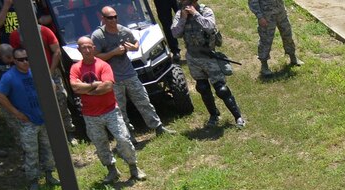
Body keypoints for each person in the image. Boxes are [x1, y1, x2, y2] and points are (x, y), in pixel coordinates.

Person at [68, 34, 141, 186]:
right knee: (100, 144)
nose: (87, 50)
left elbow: (107, 86)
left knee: (123, 139)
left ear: (94, 48)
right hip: (90, 115)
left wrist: (86, 89)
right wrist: (95, 85)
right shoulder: (75, 68)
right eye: (84, 47)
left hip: (110, 111)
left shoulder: (103, 65)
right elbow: (75, 87)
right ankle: (112, 170)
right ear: (79, 50)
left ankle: (134, 167)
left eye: (90, 47)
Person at [90, 5, 161, 135]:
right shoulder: (98, 36)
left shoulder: (123, 31)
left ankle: (158, 126)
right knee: (119, 109)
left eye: (115, 17)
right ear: (103, 18)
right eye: (109, 18)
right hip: (112, 79)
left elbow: (136, 43)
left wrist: (133, 48)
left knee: (144, 101)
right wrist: (113, 53)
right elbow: (96, 57)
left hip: (129, 74)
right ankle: (128, 134)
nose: (113, 20)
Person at [171, 0, 243, 128]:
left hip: (208, 57)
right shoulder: (180, 14)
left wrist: (196, 14)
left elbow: (210, 27)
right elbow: (175, 33)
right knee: (202, 87)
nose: (184, 5)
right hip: (193, 58)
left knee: (221, 89)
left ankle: (238, 117)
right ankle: (214, 115)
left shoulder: (205, 11)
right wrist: (183, 18)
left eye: (187, 2)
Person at [0, 41, 52, 190]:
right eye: (20, 59)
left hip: (44, 118)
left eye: (27, 58)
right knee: (31, 152)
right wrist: (16, 113)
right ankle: (33, 181)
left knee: (48, 148)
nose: (25, 62)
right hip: (28, 122)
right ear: (14, 60)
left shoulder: (37, 70)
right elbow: (0, 95)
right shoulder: (9, 77)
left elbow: (52, 85)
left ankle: (50, 174)